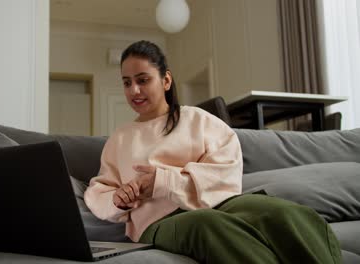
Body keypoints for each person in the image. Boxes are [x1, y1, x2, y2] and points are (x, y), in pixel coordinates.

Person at [84, 40, 341, 263]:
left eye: (142, 80)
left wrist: (164, 181)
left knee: (288, 214)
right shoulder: (120, 138)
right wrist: (119, 198)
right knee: (210, 225)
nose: (134, 91)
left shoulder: (198, 119)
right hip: (157, 223)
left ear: (166, 80)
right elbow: (98, 192)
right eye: (127, 83)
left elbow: (226, 172)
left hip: (216, 204)